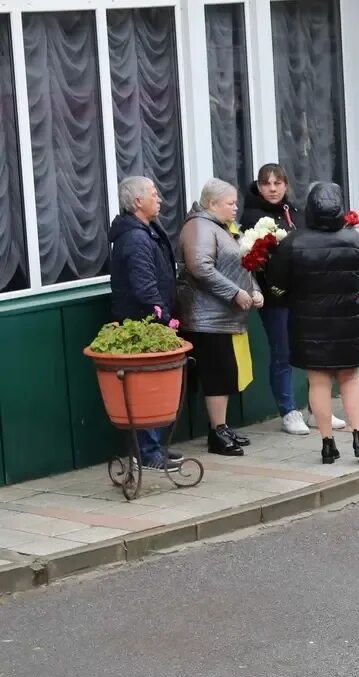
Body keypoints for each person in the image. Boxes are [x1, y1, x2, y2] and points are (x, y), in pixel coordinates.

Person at [265, 183, 359, 464]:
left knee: (319, 382)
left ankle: (328, 443)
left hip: (308, 322)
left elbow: (277, 281)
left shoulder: (293, 242)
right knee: (351, 379)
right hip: (348, 322)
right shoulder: (355, 240)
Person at [240, 164, 348, 438]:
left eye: (278, 183)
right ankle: (288, 410)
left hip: (305, 294)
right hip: (275, 296)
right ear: (259, 187)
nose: (273, 189)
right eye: (267, 184)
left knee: (313, 351)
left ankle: (317, 408)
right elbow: (251, 260)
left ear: (286, 185)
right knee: (283, 352)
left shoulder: (296, 213)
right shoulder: (253, 216)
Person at [178, 179, 261, 457]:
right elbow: (200, 267)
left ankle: (222, 427)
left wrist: (255, 290)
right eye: (230, 203)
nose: (235, 208)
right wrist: (235, 293)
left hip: (225, 318)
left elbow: (242, 267)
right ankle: (216, 433)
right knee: (216, 376)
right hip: (206, 319)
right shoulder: (199, 226)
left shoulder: (222, 228)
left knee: (225, 375)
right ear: (212, 204)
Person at [107, 176, 182, 472]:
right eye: (153, 194)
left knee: (152, 387)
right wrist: (164, 317)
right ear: (138, 202)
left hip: (151, 320)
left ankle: (154, 447)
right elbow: (144, 287)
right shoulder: (136, 238)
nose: (160, 198)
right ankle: (148, 453)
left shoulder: (147, 230)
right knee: (145, 389)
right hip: (142, 323)